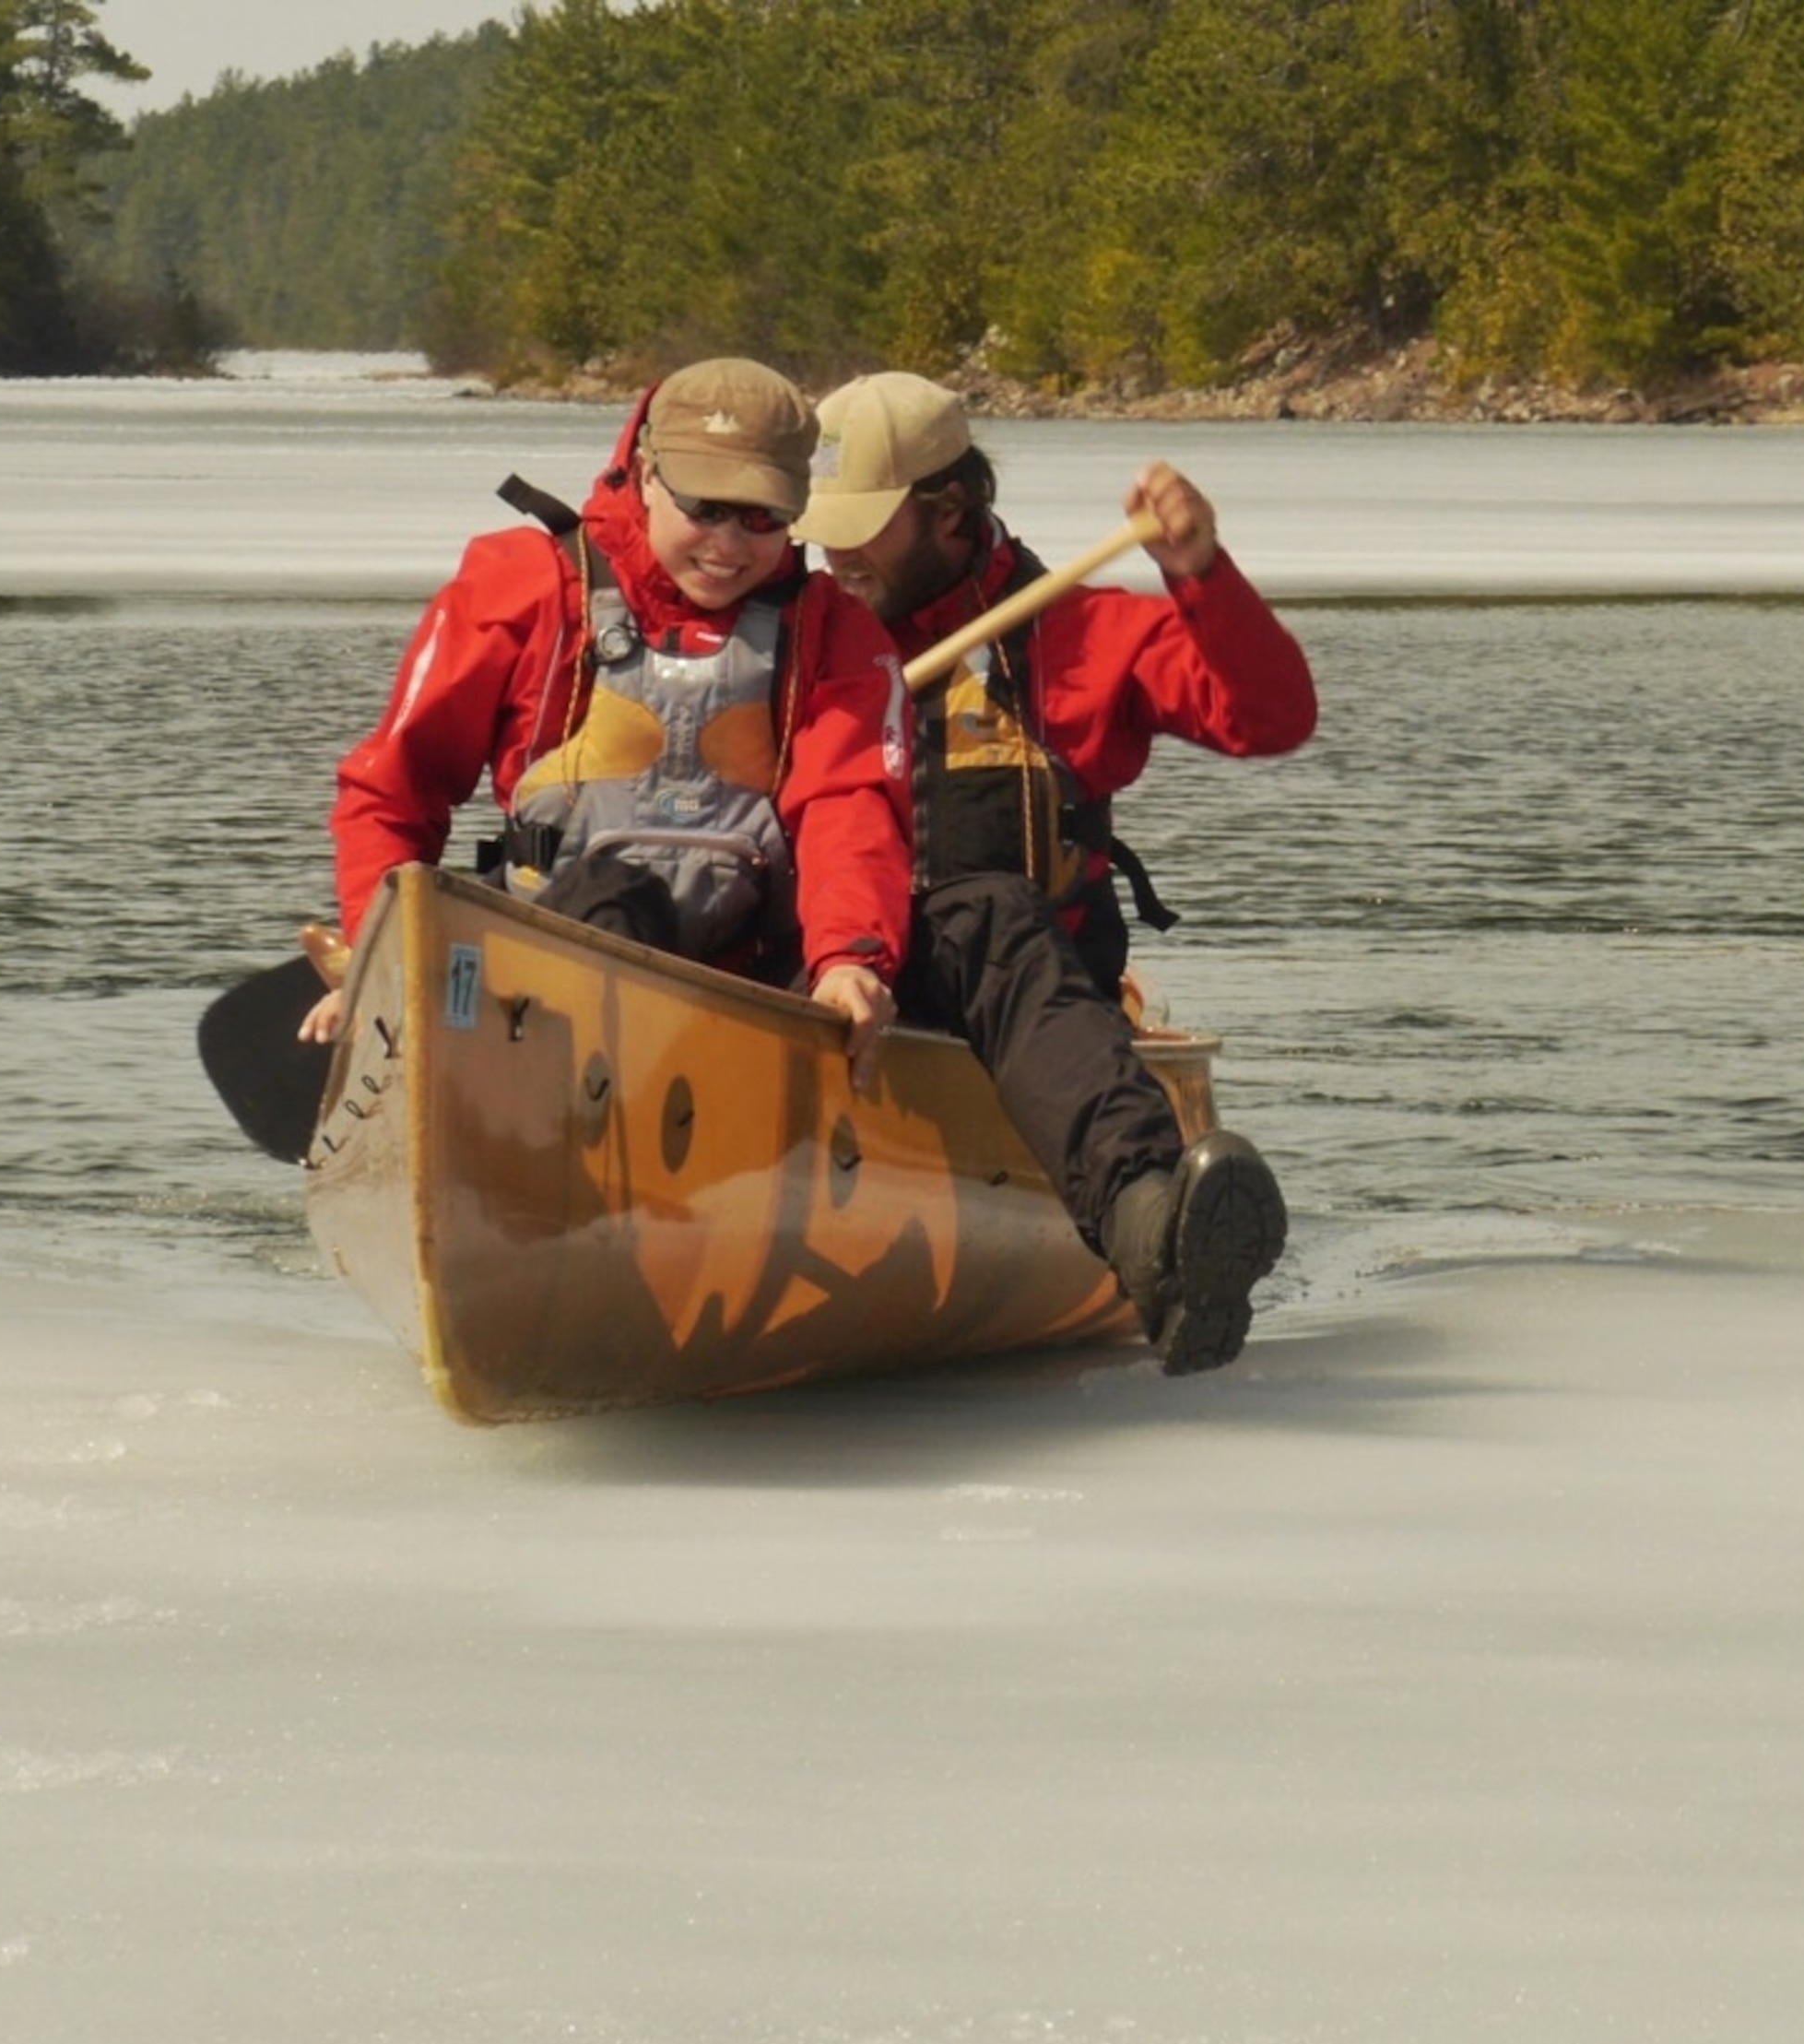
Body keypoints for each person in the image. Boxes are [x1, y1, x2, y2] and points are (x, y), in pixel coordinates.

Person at [790, 372, 1320, 1374]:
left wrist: (1199, 572)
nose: (835, 552)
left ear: (952, 514)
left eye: (863, 526)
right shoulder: (803, 641)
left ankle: (1152, 1226)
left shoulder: (1087, 638)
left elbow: (1272, 716)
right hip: (833, 981)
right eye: (823, 525)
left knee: (985, 913)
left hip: (1016, 1005)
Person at [301, 358, 912, 1084]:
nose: (728, 545)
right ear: (648, 475)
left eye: (762, 519)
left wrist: (848, 961)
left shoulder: (835, 634)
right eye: (705, 508)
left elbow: (851, 809)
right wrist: (384, 958)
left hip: (745, 981)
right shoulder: (526, 586)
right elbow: (395, 790)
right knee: (612, 895)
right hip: (544, 964)